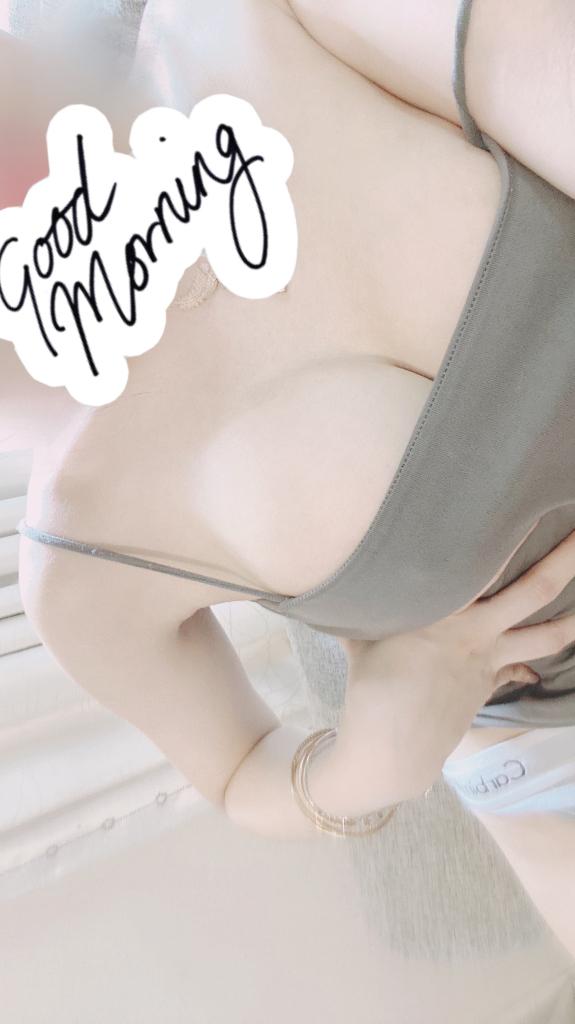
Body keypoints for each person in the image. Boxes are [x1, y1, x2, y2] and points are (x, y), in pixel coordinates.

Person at [3, 0, 575, 953]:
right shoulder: (80, 556)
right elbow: (240, 773)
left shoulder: (264, 16)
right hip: (546, 749)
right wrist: (364, 765)